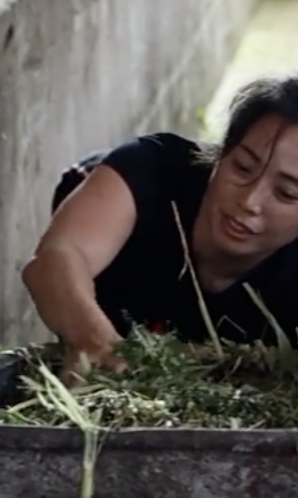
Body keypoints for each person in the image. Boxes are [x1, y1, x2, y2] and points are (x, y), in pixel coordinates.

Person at [22, 77, 298, 373]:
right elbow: (55, 260)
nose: (250, 201)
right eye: (242, 167)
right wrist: (95, 343)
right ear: (221, 154)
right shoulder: (151, 173)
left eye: (287, 193)